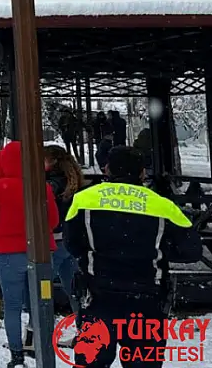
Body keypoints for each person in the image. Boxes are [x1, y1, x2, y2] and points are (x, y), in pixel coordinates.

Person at [64, 146, 203, 368]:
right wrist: (158, 250)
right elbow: (192, 250)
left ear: (107, 169)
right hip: (146, 300)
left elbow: (72, 244)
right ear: (142, 173)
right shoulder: (162, 205)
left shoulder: (83, 200)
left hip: (98, 298)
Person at [0, 141, 59, 368]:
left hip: (8, 254)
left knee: (12, 306)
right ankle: (38, 345)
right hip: (41, 253)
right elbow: (53, 221)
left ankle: (16, 355)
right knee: (41, 302)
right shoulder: (42, 186)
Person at [43, 145, 84, 319]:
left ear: (52, 162)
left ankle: (39, 331)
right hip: (71, 240)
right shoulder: (74, 182)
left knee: (42, 287)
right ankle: (85, 329)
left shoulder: (50, 185)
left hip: (54, 240)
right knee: (74, 288)